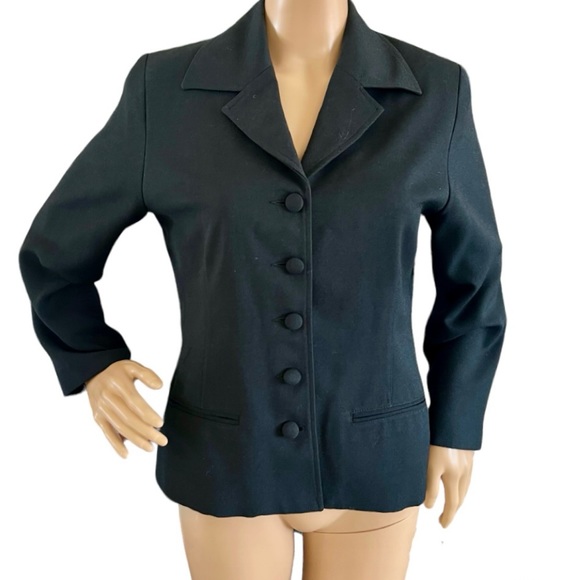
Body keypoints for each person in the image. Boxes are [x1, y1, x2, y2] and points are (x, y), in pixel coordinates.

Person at [18, 1, 507, 578]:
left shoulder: (435, 92)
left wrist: (456, 422)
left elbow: (474, 283)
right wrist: (92, 360)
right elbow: (55, 253)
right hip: (226, 456)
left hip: (373, 451)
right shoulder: (165, 90)